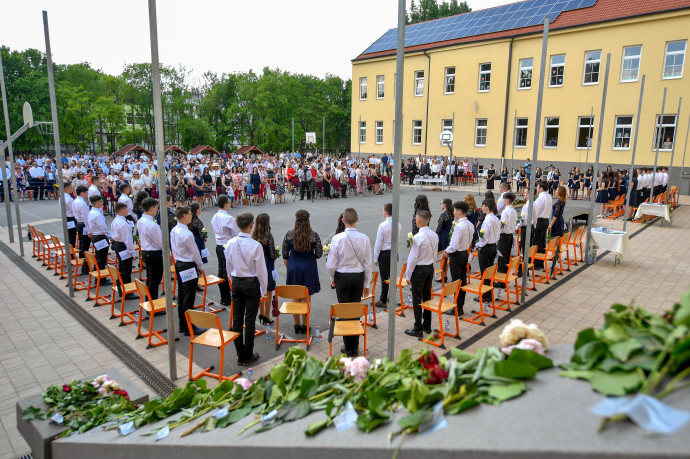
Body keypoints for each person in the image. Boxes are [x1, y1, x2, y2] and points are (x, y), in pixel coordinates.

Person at [326, 208, 372, 357]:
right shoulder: (364, 238)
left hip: (342, 277)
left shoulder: (337, 238)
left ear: (343, 220)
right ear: (357, 220)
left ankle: (348, 347)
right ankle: (355, 346)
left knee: (345, 312)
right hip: (358, 276)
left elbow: (331, 264)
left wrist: (333, 278)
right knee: (355, 311)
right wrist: (367, 284)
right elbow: (367, 264)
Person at [225, 212, 267, 367]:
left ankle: (240, 353)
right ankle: (248, 353)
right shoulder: (255, 246)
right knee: (249, 320)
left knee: (237, 319)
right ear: (251, 226)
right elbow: (261, 271)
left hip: (236, 281)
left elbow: (228, 267)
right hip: (251, 284)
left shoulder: (230, 243)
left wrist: (233, 280)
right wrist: (263, 289)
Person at [282, 210, 322, 334]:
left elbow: (284, 254)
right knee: (306, 296)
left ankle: (296, 324)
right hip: (308, 266)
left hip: (293, 266)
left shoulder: (289, 234)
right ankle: (305, 324)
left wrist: (289, 267)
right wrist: (310, 259)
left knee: (295, 295)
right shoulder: (313, 235)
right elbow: (319, 253)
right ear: (308, 220)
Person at [171, 206, 205, 337]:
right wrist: (200, 267)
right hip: (188, 265)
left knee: (183, 295)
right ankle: (189, 325)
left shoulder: (174, 230)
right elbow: (195, 253)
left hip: (179, 263)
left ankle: (183, 324)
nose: (191, 216)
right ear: (184, 216)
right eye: (190, 214)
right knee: (189, 296)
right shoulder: (187, 233)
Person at [403, 210, 438, 338]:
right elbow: (435, 253)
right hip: (429, 267)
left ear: (418, 221)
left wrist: (408, 275)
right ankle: (427, 325)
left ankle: (418, 327)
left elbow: (413, 259)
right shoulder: (434, 235)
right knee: (427, 296)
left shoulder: (417, 237)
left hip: (419, 270)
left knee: (417, 298)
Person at [445, 201, 473, 315]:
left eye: (455, 211)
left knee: (456, 280)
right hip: (464, 253)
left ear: (459, 212)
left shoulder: (459, 226)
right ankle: (460, 305)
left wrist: (447, 251)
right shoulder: (470, 224)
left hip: (456, 255)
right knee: (462, 279)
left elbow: (454, 245)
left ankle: (457, 306)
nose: (454, 212)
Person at [211, 195, 238, 307]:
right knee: (229, 271)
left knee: (221, 270)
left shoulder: (215, 216)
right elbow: (235, 234)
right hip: (227, 245)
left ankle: (224, 297)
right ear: (225, 204)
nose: (229, 203)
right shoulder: (229, 218)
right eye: (228, 202)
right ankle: (228, 296)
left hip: (219, 245)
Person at [374, 203, 401, 309]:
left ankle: (383, 299)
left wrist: (376, 257)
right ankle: (392, 297)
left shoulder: (383, 225)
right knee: (392, 275)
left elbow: (378, 243)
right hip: (393, 251)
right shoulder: (397, 224)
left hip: (384, 253)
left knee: (384, 277)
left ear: (385, 212)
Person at [475, 199, 499, 311]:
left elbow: (484, 237)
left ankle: (485, 296)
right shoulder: (495, 218)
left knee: (484, 272)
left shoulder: (487, 220)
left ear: (487, 208)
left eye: (483, 206)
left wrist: (478, 245)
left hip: (486, 247)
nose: (482, 208)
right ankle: (489, 293)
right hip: (493, 245)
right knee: (489, 271)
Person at [252, 213, 277, 325]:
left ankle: (261, 312)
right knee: (268, 290)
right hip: (267, 263)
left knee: (259, 290)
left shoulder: (254, 236)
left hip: (256, 264)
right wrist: (275, 256)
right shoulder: (268, 236)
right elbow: (272, 254)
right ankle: (267, 315)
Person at [137, 197, 163, 300]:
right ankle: (153, 304)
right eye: (157, 208)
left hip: (145, 251)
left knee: (150, 278)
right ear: (152, 208)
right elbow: (160, 243)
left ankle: (149, 302)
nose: (157, 210)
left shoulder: (141, 221)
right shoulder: (152, 225)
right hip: (154, 253)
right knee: (154, 281)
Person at [111, 202, 135, 296]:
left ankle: (121, 288)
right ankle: (127, 291)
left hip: (117, 244)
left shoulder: (116, 220)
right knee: (126, 269)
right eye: (126, 209)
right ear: (122, 211)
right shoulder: (123, 224)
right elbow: (128, 240)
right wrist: (132, 253)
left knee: (122, 267)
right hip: (123, 246)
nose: (128, 211)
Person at [88, 195, 111, 273]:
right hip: (100, 236)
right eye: (101, 201)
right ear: (97, 203)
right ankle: (101, 278)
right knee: (101, 258)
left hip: (96, 236)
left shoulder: (92, 212)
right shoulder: (97, 214)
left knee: (99, 257)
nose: (103, 202)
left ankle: (99, 275)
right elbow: (103, 227)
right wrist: (110, 236)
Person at [532, 181, 552, 269]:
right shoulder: (549, 196)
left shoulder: (541, 197)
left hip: (540, 220)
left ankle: (537, 263)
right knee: (542, 242)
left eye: (538, 186)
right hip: (546, 220)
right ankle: (541, 262)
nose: (536, 188)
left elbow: (536, 210)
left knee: (537, 242)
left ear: (541, 188)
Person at [73, 185, 91, 275]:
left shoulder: (75, 201)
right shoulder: (82, 203)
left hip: (78, 223)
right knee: (85, 246)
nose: (87, 194)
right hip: (83, 225)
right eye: (86, 192)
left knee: (82, 244)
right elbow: (86, 218)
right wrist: (89, 230)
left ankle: (83, 264)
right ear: (82, 193)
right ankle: (85, 267)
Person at [497, 192, 517, 274]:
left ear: (507, 200)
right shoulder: (514, 211)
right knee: (506, 256)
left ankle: (501, 278)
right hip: (510, 235)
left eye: (504, 199)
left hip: (504, 236)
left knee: (502, 257)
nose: (503, 201)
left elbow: (503, 225)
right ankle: (504, 275)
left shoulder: (505, 212)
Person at [63, 183, 77, 249]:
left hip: (67, 217)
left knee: (70, 236)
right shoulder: (69, 199)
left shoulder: (63, 197)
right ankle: (71, 254)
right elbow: (73, 210)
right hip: (71, 218)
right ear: (66, 188)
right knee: (72, 237)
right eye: (71, 187)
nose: (72, 189)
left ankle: (70, 252)